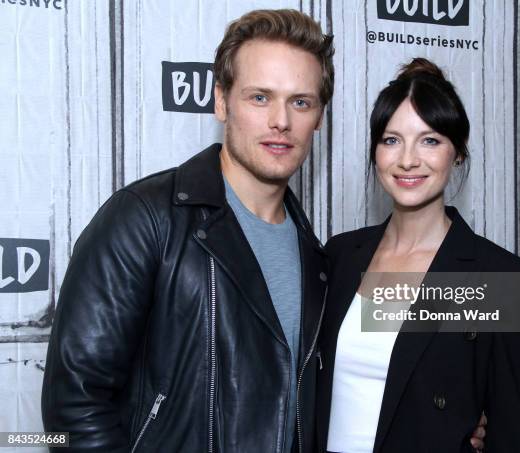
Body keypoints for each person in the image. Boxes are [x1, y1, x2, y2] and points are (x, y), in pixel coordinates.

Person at [42, 9, 333, 452]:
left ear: (319, 117)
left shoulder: (318, 256)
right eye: (259, 97)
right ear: (221, 101)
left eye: (300, 101)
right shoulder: (145, 219)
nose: (281, 121)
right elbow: (75, 406)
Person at [316, 59, 520, 452]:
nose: (408, 159)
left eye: (430, 140)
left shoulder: (497, 276)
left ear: (458, 154)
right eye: (391, 139)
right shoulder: (340, 256)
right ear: (375, 152)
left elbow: (512, 429)